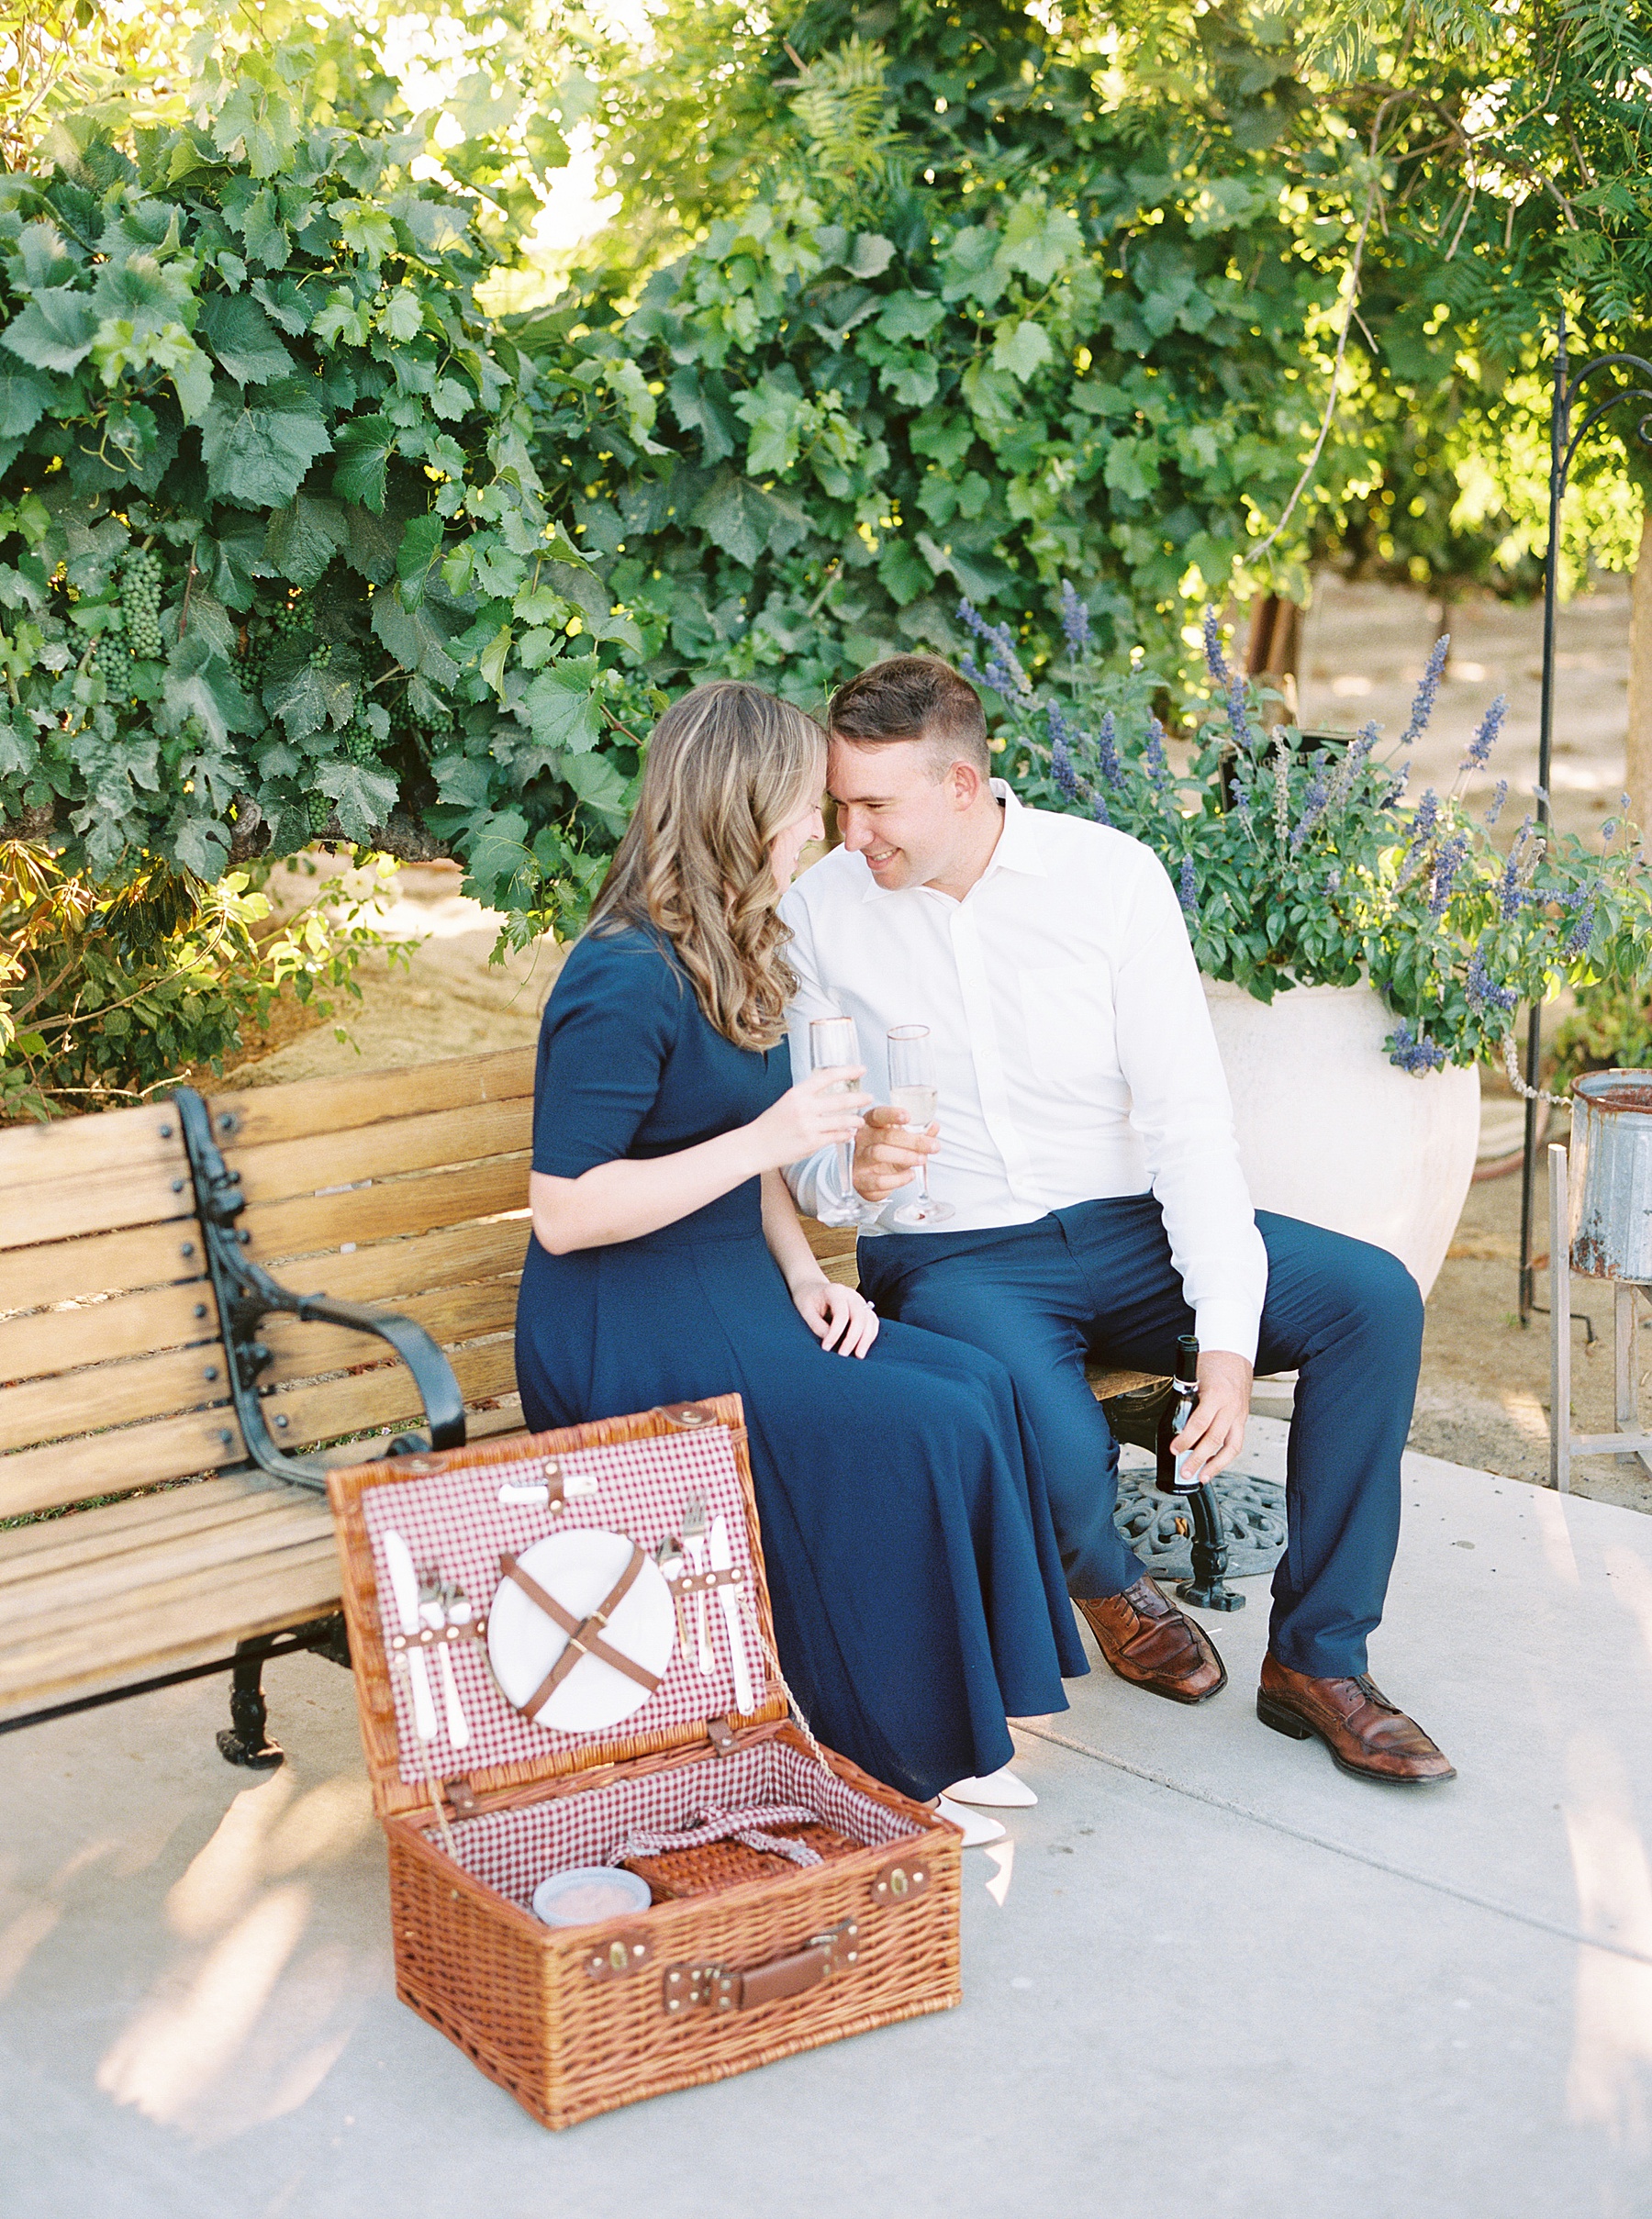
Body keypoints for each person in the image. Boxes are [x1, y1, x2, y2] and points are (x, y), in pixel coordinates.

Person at [779, 654, 1455, 1788]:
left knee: (1371, 1300)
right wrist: (853, 1166)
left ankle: (1320, 1658)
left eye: (874, 804)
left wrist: (1229, 1346)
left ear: (961, 785)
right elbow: (809, 1170)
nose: (850, 833)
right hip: (957, 1252)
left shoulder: (1108, 879)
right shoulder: (820, 912)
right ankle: (1105, 1579)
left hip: (1127, 1227)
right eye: (840, 801)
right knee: (1058, 1454)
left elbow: (1191, 1124)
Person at [513, 678, 1086, 1813]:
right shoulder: (620, 975)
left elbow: (754, 1163)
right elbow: (566, 1211)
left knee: (971, 1385)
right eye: (807, 807)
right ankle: (893, 1759)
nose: (823, 832)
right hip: (624, 1325)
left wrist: (808, 1275)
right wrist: (767, 1140)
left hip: (733, 1290)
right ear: (745, 810)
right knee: (905, 1424)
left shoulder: (729, 943)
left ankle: (952, 1727)